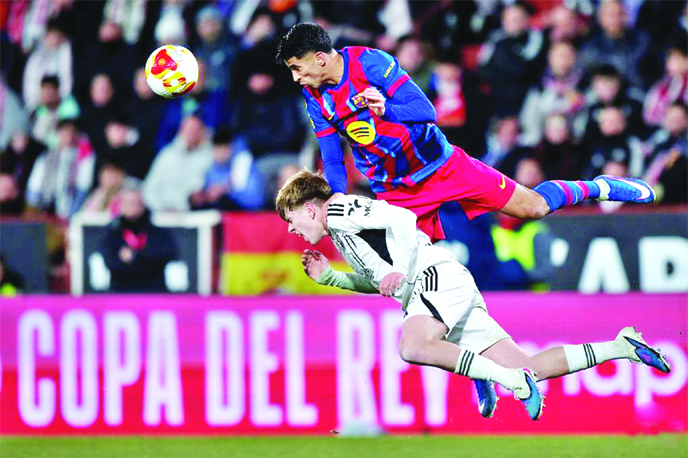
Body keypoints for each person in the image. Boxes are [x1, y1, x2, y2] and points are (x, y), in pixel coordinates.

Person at [275, 168, 672, 421]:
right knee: (531, 366)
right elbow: (381, 283)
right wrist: (334, 279)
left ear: (308, 209)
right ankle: (621, 346)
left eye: (291, 220)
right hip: (437, 287)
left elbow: (402, 217)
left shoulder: (339, 210)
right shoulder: (341, 237)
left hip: (433, 278)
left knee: (414, 345)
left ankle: (506, 380)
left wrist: (400, 268)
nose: (292, 230)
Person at [275, 22, 658, 244]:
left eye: (296, 67)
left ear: (319, 58)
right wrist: (338, 199)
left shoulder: (371, 64)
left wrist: (385, 109)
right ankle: (472, 360)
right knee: (415, 283)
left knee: (533, 208)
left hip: (441, 166)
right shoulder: (314, 97)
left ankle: (599, 186)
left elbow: (426, 113)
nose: (295, 77)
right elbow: (331, 156)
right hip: (394, 190)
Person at [100, 188, 177, 292]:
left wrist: (134, 256)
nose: (134, 207)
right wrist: (145, 260)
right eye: (130, 203)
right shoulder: (112, 234)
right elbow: (111, 262)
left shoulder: (158, 232)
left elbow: (166, 256)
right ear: (121, 205)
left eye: (137, 202)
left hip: (154, 292)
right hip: (121, 292)